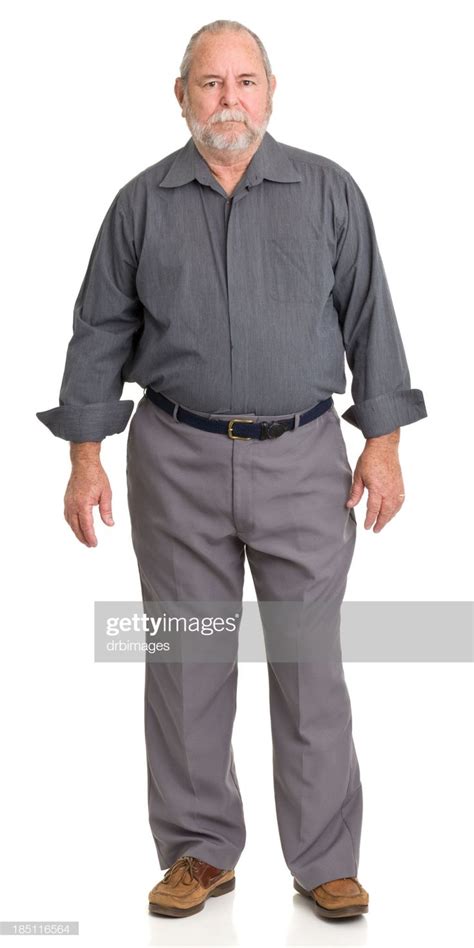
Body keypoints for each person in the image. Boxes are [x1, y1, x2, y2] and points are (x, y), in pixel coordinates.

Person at [37, 18, 427, 921]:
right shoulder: (140, 204)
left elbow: (372, 317)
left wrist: (383, 442)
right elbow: (98, 331)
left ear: (271, 92)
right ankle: (199, 851)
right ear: (180, 97)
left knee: (308, 661)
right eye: (209, 85)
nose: (229, 102)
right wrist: (85, 456)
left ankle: (325, 860)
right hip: (174, 458)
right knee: (184, 661)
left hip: (301, 456)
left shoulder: (328, 192)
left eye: (245, 82)